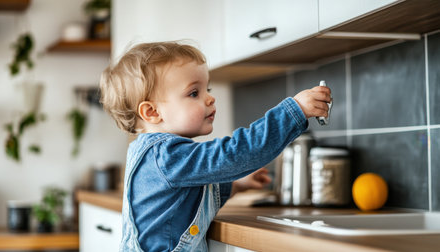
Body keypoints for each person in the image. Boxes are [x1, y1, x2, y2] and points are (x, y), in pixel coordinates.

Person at [99, 41, 331, 251]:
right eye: (193, 93)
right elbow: (234, 154)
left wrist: (236, 184)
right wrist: (294, 112)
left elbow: (185, 196)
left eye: (207, 89)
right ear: (152, 112)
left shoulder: (151, 153)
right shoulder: (166, 155)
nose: (210, 98)